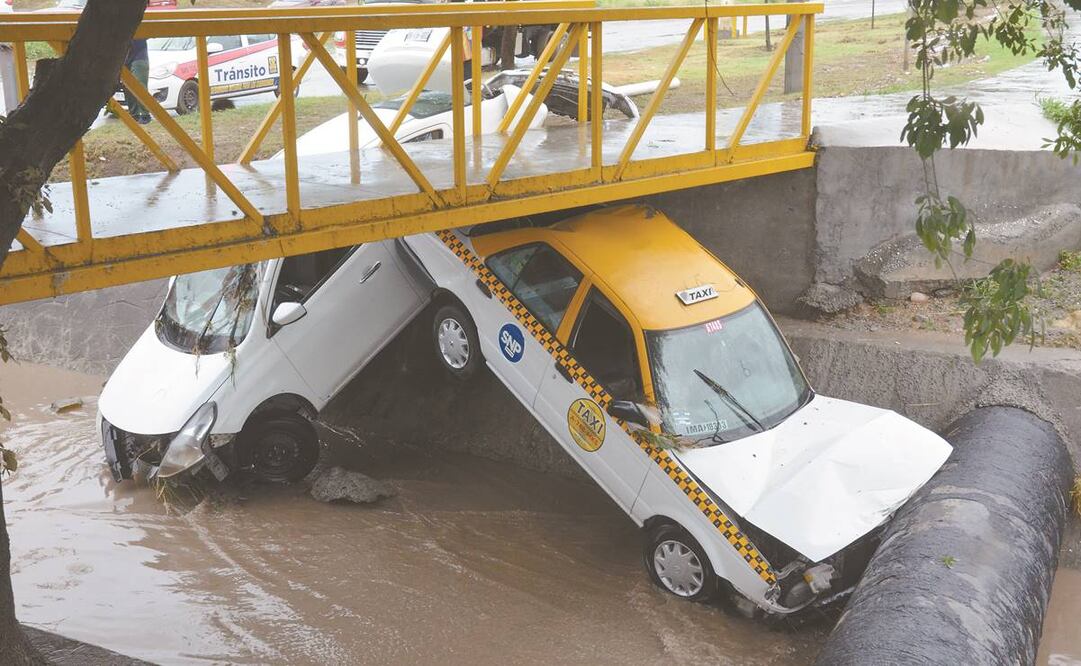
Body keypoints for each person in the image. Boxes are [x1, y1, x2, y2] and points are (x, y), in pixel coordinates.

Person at [123, 37, 151, 124]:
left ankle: (145, 115)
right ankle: (133, 115)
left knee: (140, 85)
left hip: (139, 55)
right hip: (123, 56)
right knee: (127, 86)